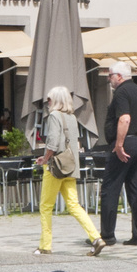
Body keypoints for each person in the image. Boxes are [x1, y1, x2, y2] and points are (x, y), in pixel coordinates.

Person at [34, 86, 104, 257]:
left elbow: (53, 141)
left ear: (56, 100)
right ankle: (96, 237)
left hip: (55, 167)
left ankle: (45, 245)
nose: (47, 103)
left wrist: (45, 158)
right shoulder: (72, 117)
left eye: (49, 99)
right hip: (71, 167)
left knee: (45, 206)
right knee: (74, 205)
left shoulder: (54, 116)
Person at [98, 62, 137, 246]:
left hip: (126, 143)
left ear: (119, 76)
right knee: (135, 188)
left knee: (110, 188)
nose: (109, 79)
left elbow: (125, 118)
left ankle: (107, 235)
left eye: (110, 75)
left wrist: (119, 145)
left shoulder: (121, 92)